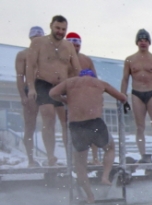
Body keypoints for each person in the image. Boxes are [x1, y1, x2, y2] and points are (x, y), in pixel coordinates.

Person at [49, 69, 127, 204]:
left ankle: (89, 196)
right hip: (94, 122)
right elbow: (122, 97)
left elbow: (52, 93)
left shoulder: (70, 82)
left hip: (76, 125)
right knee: (110, 148)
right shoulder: (99, 83)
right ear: (92, 76)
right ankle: (105, 176)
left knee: (80, 164)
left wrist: (64, 100)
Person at [26, 15, 80, 166]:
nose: (60, 32)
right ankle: (51, 155)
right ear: (51, 26)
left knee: (66, 122)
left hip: (62, 86)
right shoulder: (38, 43)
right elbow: (29, 66)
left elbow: (77, 68)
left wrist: (81, 85)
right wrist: (31, 87)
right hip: (43, 83)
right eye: (57, 28)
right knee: (48, 117)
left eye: (63, 29)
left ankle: (70, 156)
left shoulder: (68, 46)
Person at [120, 28, 152, 163]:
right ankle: (143, 155)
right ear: (137, 42)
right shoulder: (130, 60)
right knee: (140, 126)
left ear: (149, 43)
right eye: (140, 40)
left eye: (145, 40)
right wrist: (122, 96)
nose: (143, 43)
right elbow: (125, 79)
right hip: (137, 94)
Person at [66, 32, 100, 164]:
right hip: (71, 98)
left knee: (92, 127)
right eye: (72, 44)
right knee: (74, 129)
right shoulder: (63, 60)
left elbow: (95, 79)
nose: (75, 47)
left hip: (87, 98)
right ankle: (74, 159)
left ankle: (95, 158)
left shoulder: (87, 60)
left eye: (77, 44)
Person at [15, 26, 45, 167]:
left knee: (48, 124)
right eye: (35, 38)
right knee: (30, 126)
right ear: (30, 38)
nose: (37, 41)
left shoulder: (48, 55)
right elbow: (20, 77)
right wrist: (23, 96)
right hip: (30, 90)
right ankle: (31, 159)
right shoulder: (23, 54)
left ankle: (51, 156)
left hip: (45, 89)